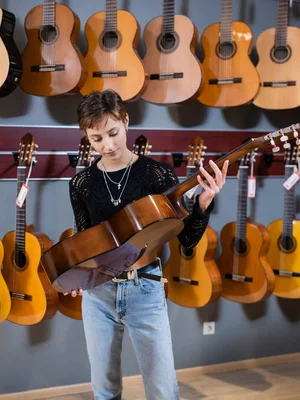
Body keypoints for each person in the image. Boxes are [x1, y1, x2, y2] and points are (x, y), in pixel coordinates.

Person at [66, 89, 229, 400]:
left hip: (145, 288)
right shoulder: (81, 183)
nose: (108, 145)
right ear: (86, 136)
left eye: (113, 133)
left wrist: (204, 203)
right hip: (98, 294)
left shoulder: (157, 174)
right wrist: (77, 273)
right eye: (96, 138)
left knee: (163, 391)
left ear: (126, 122)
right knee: (104, 389)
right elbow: (85, 238)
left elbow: (187, 240)